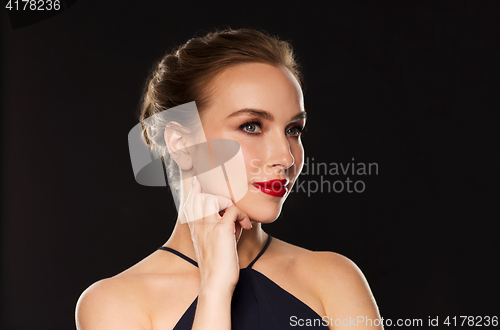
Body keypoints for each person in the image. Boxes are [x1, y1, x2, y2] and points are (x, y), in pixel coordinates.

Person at [75, 28, 383, 330]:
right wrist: (215, 289)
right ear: (182, 144)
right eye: (251, 126)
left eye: (293, 130)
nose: (286, 158)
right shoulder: (114, 303)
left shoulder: (334, 277)